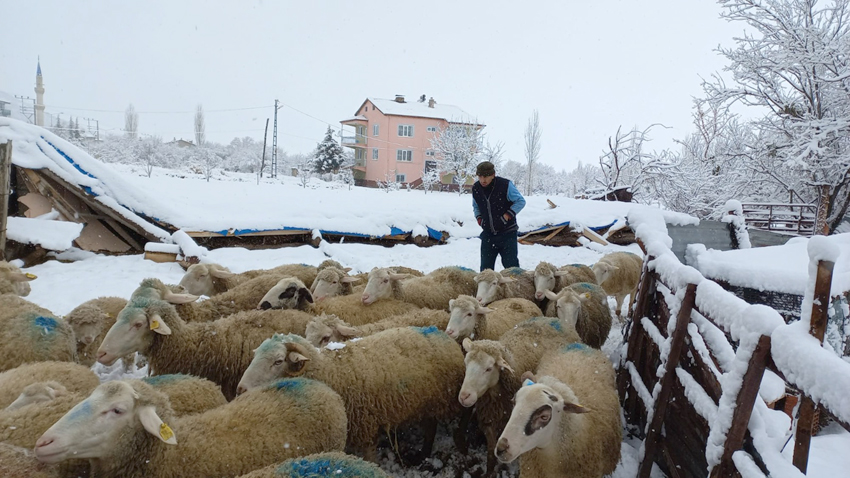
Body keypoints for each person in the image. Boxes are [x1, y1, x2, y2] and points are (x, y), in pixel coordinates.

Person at [472, 161, 526, 271]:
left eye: (486, 176)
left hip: (507, 234)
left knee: (512, 269)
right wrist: (480, 220)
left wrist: (506, 216)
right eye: (480, 176)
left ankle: (516, 288)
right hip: (488, 235)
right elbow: (476, 206)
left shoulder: (505, 185)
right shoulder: (476, 188)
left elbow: (520, 201)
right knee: (486, 271)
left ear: (493, 175)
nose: (483, 180)